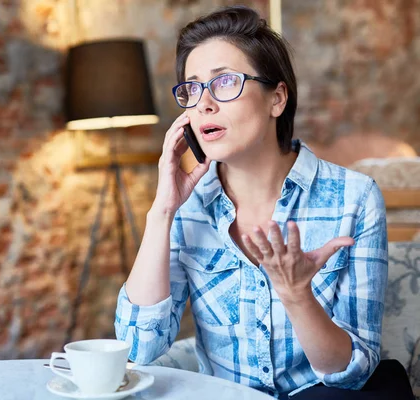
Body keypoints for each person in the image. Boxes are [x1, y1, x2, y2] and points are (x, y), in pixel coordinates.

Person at [114, 5, 414, 400]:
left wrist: (296, 294)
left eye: (224, 83)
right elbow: (138, 350)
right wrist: (162, 212)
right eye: (193, 87)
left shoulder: (354, 198)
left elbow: (352, 374)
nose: (204, 103)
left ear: (277, 99)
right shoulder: (187, 208)